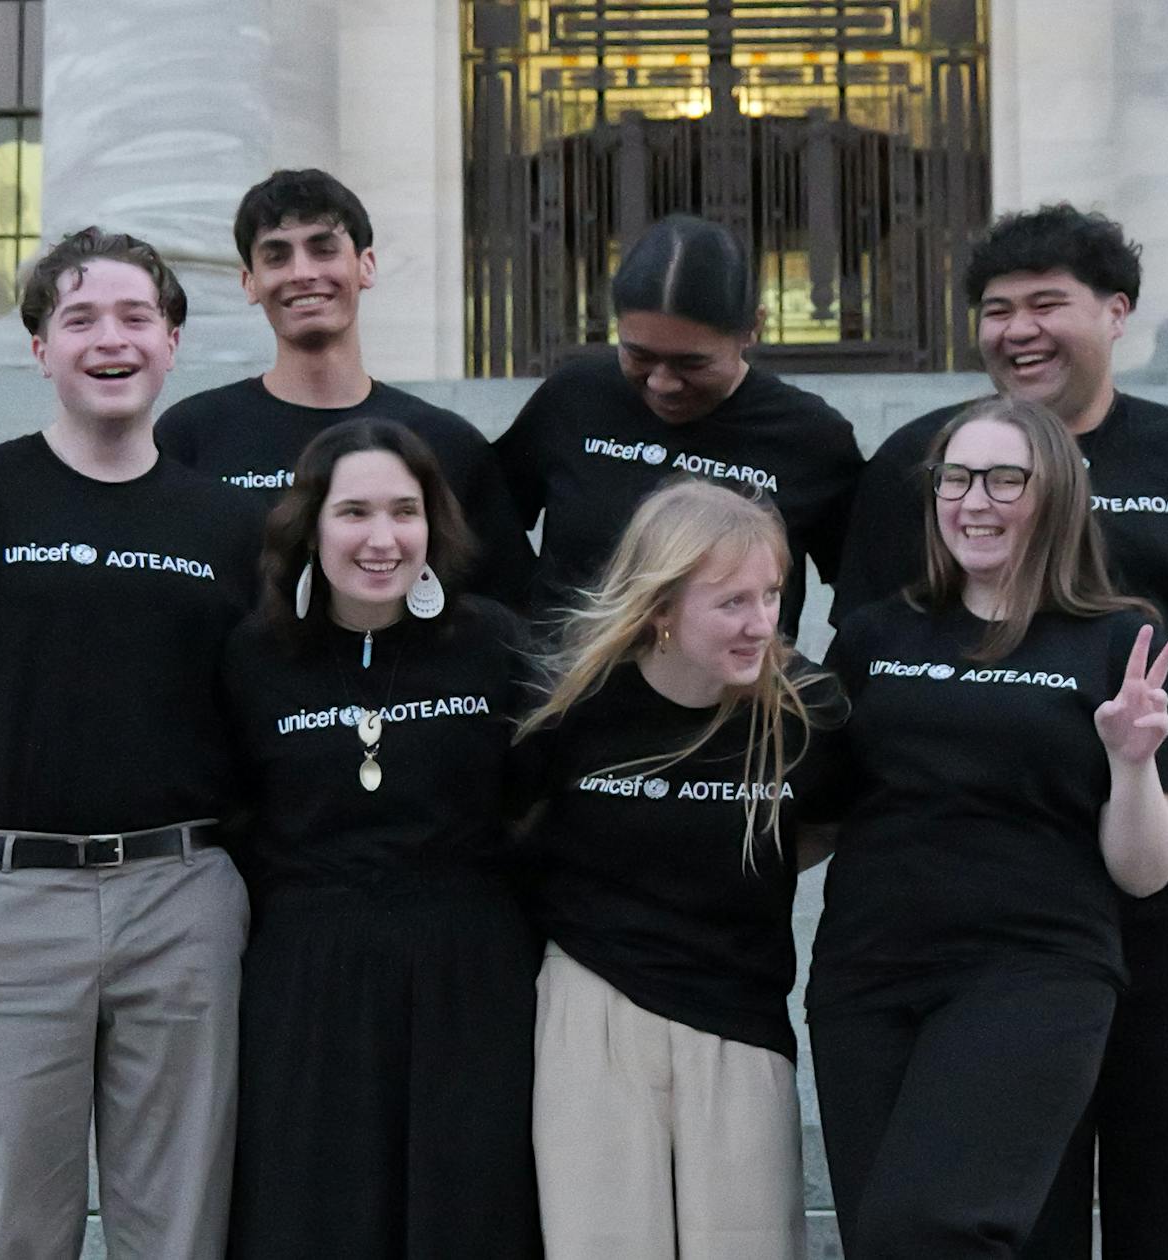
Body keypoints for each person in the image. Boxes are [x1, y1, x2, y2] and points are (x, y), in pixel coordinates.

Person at [831, 206, 1168, 1260]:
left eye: (1048, 304)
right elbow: (871, 657)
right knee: (1010, 1176)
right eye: (997, 311)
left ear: (1118, 312)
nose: (1019, 330)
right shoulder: (925, 461)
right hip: (994, 863)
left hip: (1160, 833)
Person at [0, 227, 257, 1260]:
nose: (109, 338)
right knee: (11, 1234)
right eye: (79, 318)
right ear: (40, 348)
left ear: (173, 341)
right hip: (7, 906)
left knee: (178, 1231)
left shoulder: (225, 525)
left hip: (180, 900)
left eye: (136, 316)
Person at [811, 394, 1168, 1258]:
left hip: (1032, 974)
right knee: (882, 1239)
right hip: (866, 977)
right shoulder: (876, 635)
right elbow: (819, 815)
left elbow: (1146, 872)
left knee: (931, 1229)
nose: (973, 501)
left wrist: (1133, 758)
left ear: (1056, 496)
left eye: (1003, 479)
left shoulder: (1119, 643)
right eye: (955, 478)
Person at [219, 419, 542, 1259]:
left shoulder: (494, 642)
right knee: (314, 1212)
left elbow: (538, 798)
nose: (382, 538)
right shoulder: (253, 657)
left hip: (469, 966)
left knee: (468, 1210)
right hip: (307, 972)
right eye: (354, 512)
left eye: (405, 511)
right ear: (310, 525)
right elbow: (232, 811)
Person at [511, 478, 850, 1260]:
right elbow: (518, 830)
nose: (761, 622)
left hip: (740, 1014)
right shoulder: (573, 707)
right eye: (732, 602)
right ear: (661, 607)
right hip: (594, 1006)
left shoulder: (806, 713)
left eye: (771, 595)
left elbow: (831, 822)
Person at [159, 168, 533, 603]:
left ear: (366, 266)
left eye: (323, 250)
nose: (302, 272)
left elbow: (510, 614)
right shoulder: (192, 435)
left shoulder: (446, 442)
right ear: (250, 283)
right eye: (277, 256)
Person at [494, 214, 860, 631]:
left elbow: (868, 591)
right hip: (567, 688)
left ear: (752, 329)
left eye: (693, 363)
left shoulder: (810, 438)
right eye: (639, 356)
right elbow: (486, 528)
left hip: (731, 693)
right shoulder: (573, 399)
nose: (662, 383)